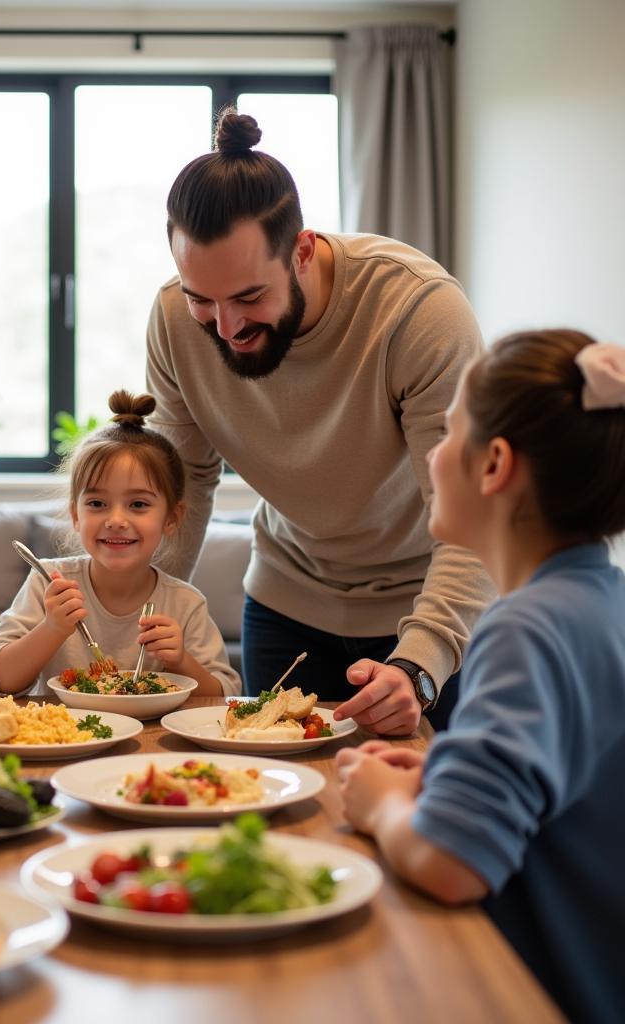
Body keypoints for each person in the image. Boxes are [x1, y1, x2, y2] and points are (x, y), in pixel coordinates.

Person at [145, 107, 495, 734]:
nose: (225, 329)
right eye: (203, 299)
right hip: (284, 602)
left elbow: (471, 512)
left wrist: (419, 664)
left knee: (415, 813)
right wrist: (138, 613)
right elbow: (185, 485)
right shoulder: (174, 320)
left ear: (302, 251)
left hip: (424, 612)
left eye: (250, 297)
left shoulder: (419, 313)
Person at [337, 330, 625, 1023]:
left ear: (495, 463)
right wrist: (435, 782)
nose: (433, 456)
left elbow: (452, 863)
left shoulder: (525, 626)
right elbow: (551, 794)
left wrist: (383, 805)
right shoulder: (601, 603)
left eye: (447, 433)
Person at [0, 390, 242, 698]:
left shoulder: (185, 604)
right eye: (98, 503)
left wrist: (182, 661)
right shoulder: (49, 584)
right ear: (76, 515)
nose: (116, 519)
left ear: (171, 517)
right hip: (66, 738)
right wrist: (52, 628)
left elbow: (224, 695)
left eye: (139, 504)